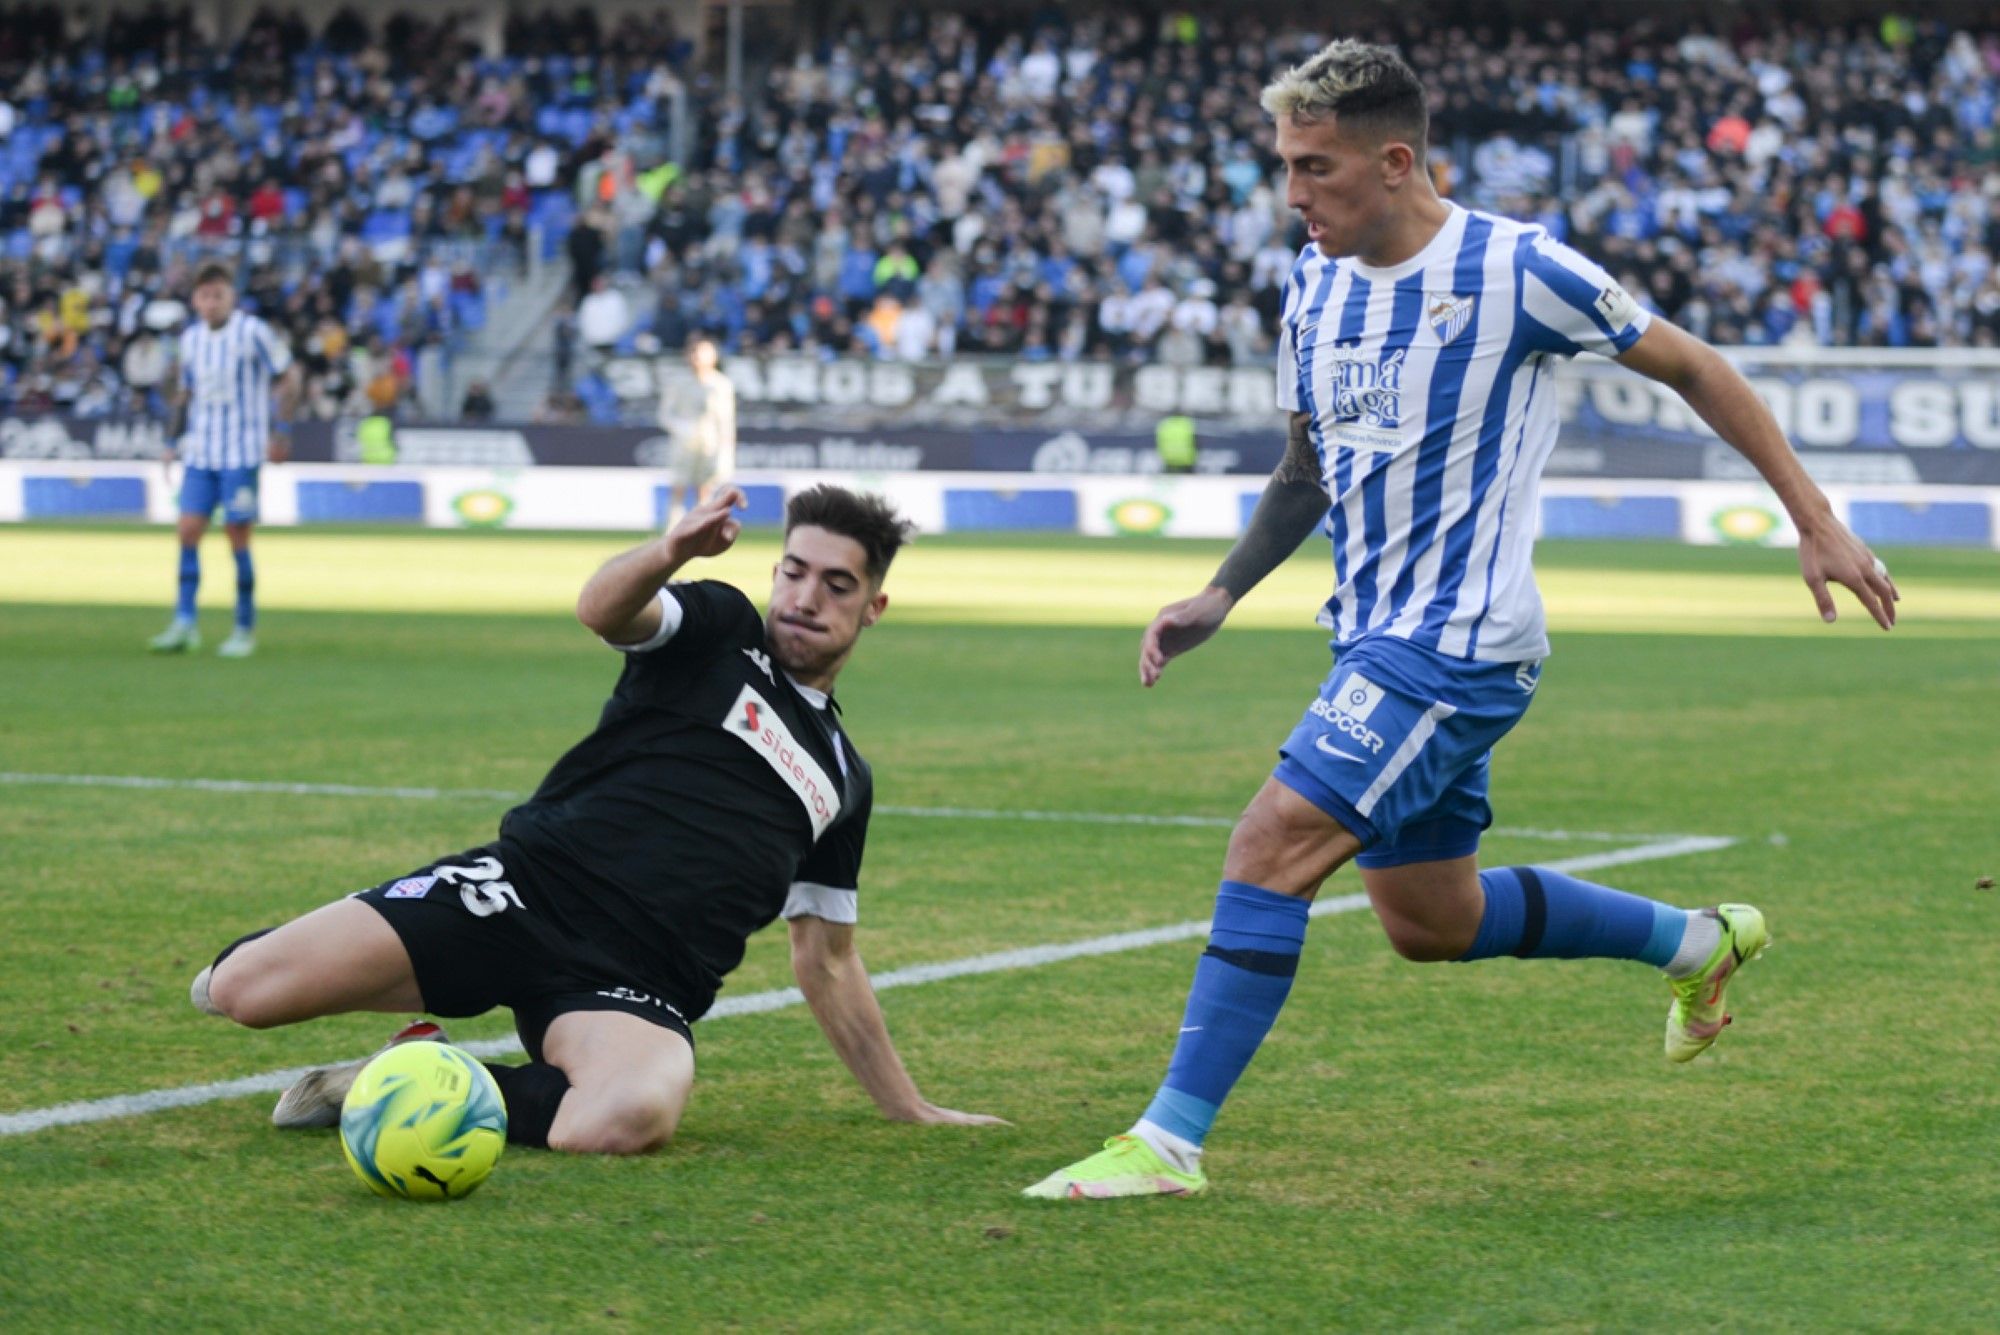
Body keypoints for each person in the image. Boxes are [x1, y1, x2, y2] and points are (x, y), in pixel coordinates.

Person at [1023, 39, 1900, 1201]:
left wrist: (1814, 519)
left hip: (1457, 640)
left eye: (1313, 167)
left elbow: (1695, 368)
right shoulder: (1312, 280)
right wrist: (1220, 592)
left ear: (1394, 161)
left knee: (1268, 845)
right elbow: (1304, 469)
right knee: (1428, 917)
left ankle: (1167, 1141)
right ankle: (1697, 941)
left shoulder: (1518, 269)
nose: (1292, 194)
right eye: (1283, 165)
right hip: (1371, 635)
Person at [190, 486, 1004, 1154]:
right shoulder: (722, 631)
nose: (805, 597)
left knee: (623, 1117)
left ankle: (402, 1077)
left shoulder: (844, 779)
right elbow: (602, 610)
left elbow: (826, 960)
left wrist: (910, 1107)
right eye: (794, 571)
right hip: (526, 890)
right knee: (243, 991)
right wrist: (671, 551)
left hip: (637, 983)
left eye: (837, 584)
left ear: (874, 607)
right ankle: (281, 954)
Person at [149, 263, 301, 659]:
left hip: (242, 453)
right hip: (201, 453)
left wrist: (281, 431)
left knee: (237, 535)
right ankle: (185, 623)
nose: (211, 303)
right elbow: (184, 394)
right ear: (195, 300)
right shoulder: (191, 339)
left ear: (231, 296)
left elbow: (289, 377)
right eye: (204, 296)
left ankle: (243, 628)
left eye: (218, 295)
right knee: (187, 531)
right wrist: (171, 441)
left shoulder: (253, 332)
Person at [657, 335, 737, 524]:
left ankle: (700, 527)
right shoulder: (677, 382)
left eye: (702, 353)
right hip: (683, 442)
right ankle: (673, 527)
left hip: (709, 442)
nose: (697, 357)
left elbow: (726, 421)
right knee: (679, 485)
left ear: (713, 357)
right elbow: (665, 414)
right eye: (693, 353)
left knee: (705, 487)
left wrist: (726, 448)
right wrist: (680, 427)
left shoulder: (721, 384)